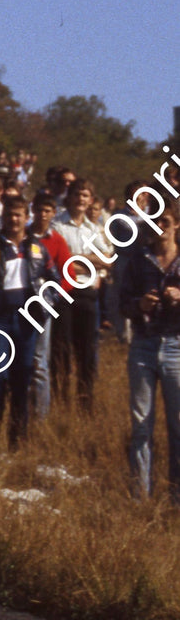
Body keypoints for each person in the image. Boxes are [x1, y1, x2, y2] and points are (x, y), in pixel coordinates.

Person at [0, 196, 57, 446]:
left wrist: (45, 306)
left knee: (22, 379)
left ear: (27, 218)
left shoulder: (37, 249)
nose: (13, 220)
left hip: (27, 321)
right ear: (3, 218)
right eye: (9, 215)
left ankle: (18, 442)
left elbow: (53, 281)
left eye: (18, 215)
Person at [120, 201, 180, 503]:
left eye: (167, 222)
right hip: (143, 345)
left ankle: (176, 496)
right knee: (141, 423)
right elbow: (122, 304)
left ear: (177, 225)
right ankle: (139, 495)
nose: (161, 228)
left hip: (176, 346)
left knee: (177, 424)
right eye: (156, 222)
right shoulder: (137, 261)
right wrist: (139, 305)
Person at [51, 179, 108, 411]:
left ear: (90, 199)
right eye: (77, 194)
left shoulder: (94, 229)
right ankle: (61, 401)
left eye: (85, 195)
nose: (80, 199)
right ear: (69, 196)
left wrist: (73, 259)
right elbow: (56, 263)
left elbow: (106, 260)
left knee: (86, 352)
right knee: (61, 350)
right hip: (63, 294)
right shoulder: (56, 225)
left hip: (87, 294)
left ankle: (86, 403)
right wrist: (86, 260)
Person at [28, 192, 72, 419]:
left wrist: (53, 298)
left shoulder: (56, 239)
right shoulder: (22, 236)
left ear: (53, 213)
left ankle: (41, 416)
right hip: (18, 304)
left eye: (47, 211)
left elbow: (69, 274)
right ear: (32, 210)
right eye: (39, 210)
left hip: (43, 307)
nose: (42, 215)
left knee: (40, 362)